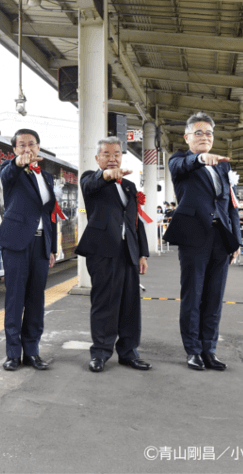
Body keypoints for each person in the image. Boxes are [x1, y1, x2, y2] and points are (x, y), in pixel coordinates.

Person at [163, 112, 241, 371]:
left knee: (214, 298)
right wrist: (199, 158)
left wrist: (236, 241)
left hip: (221, 239)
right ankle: (193, 351)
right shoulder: (179, 160)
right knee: (193, 296)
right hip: (194, 238)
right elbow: (182, 167)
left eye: (208, 133)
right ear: (187, 137)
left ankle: (209, 350)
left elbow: (230, 204)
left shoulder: (223, 166)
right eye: (199, 132)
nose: (205, 136)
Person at [76, 137, 151, 372]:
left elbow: (135, 222)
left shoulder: (129, 186)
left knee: (130, 304)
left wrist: (142, 254)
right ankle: (100, 352)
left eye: (117, 154)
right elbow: (90, 185)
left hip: (128, 251)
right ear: (98, 158)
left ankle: (129, 352)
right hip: (102, 251)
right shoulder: (90, 178)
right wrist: (105, 175)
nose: (112, 158)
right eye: (106, 154)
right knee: (104, 303)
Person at [0, 128, 57, 371]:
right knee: (15, 299)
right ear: (14, 150)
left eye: (32, 144)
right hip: (16, 243)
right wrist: (18, 163)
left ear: (39, 147)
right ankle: (12, 354)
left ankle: (32, 352)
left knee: (36, 300)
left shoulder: (47, 177)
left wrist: (52, 248)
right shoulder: (11, 170)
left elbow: (50, 214)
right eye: (21, 145)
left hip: (41, 244)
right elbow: (8, 173)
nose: (27, 148)